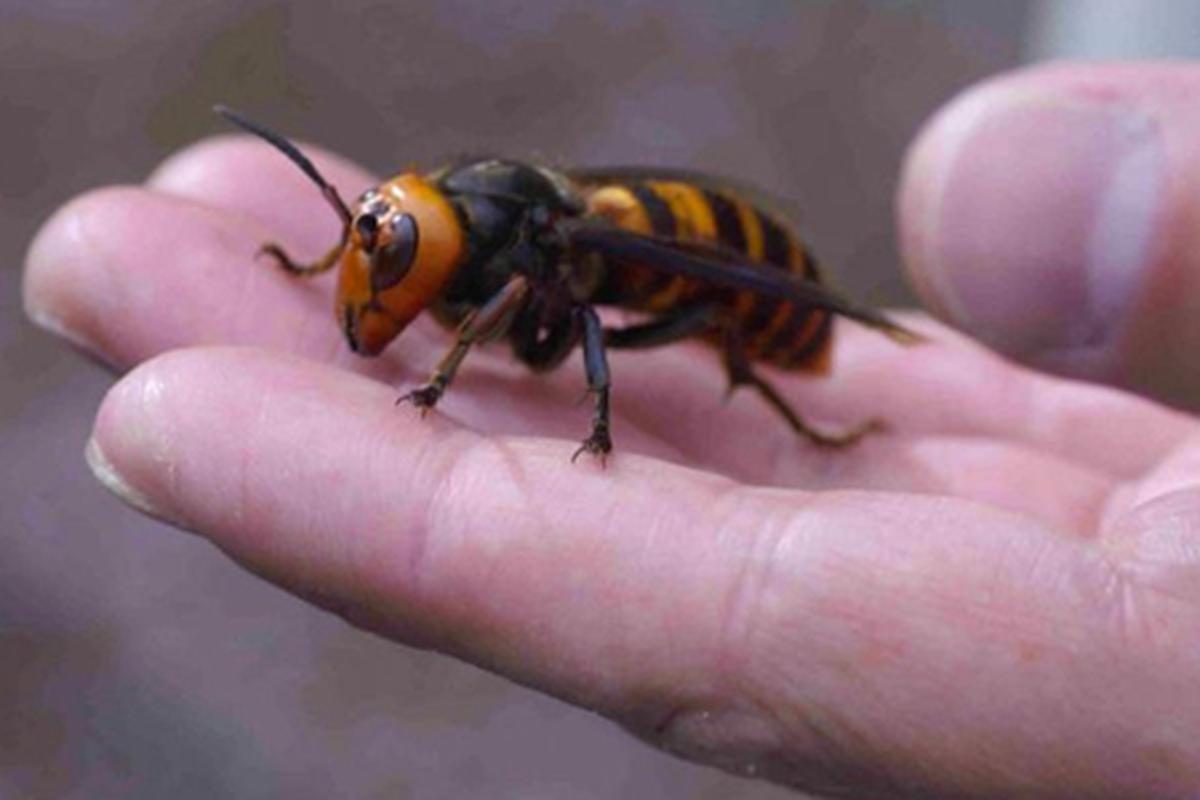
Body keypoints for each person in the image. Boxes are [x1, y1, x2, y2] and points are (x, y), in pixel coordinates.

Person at [22, 63, 1200, 798]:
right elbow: (397, 231)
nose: (377, 261)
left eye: (379, 246)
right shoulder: (441, 217)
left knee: (650, 304)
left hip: (731, 273)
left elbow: (561, 310)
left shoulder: (532, 257)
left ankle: (779, 404)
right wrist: (331, 259)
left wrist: (573, 407)